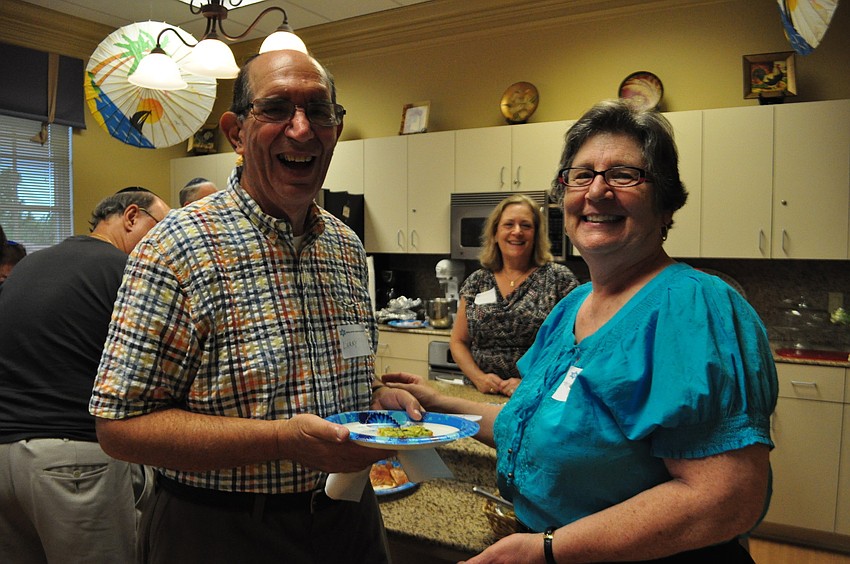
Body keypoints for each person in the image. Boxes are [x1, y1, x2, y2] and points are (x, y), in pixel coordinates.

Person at [384, 99, 778, 563]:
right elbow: (529, 428)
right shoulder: (573, 305)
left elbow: (727, 499)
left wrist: (548, 549)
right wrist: (438, 404)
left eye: (624, 175)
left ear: (665, 202)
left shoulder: (694, 308)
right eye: (582, 174)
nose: (597, 191)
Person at [89, 50, 421, 564]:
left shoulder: (347, 247)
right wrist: (283, 440)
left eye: (319, 110)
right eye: (276, 109)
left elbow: (339, 370)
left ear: (337, 126)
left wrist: (374, 395)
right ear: (236, 132)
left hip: (349, 520)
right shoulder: (177, 248)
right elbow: (120, 427)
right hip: (218, 531)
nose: (302, 128)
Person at [0, 187, 170, 564]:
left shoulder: (32, 264)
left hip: (5, 457)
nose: (165, 242)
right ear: (131, 217)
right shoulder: (126, 272)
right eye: (162, 227)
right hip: (72, 460)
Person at [452, 194, 577, 396]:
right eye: (509, 224)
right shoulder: (477, 281)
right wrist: (478, 378)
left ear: (536, 234)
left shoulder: (559, 280)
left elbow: (573, 345)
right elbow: (458, 341)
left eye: (526, 226)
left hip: (537, 396)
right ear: (495, 233)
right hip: (479, 394)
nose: (517, 232)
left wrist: (532, 382)